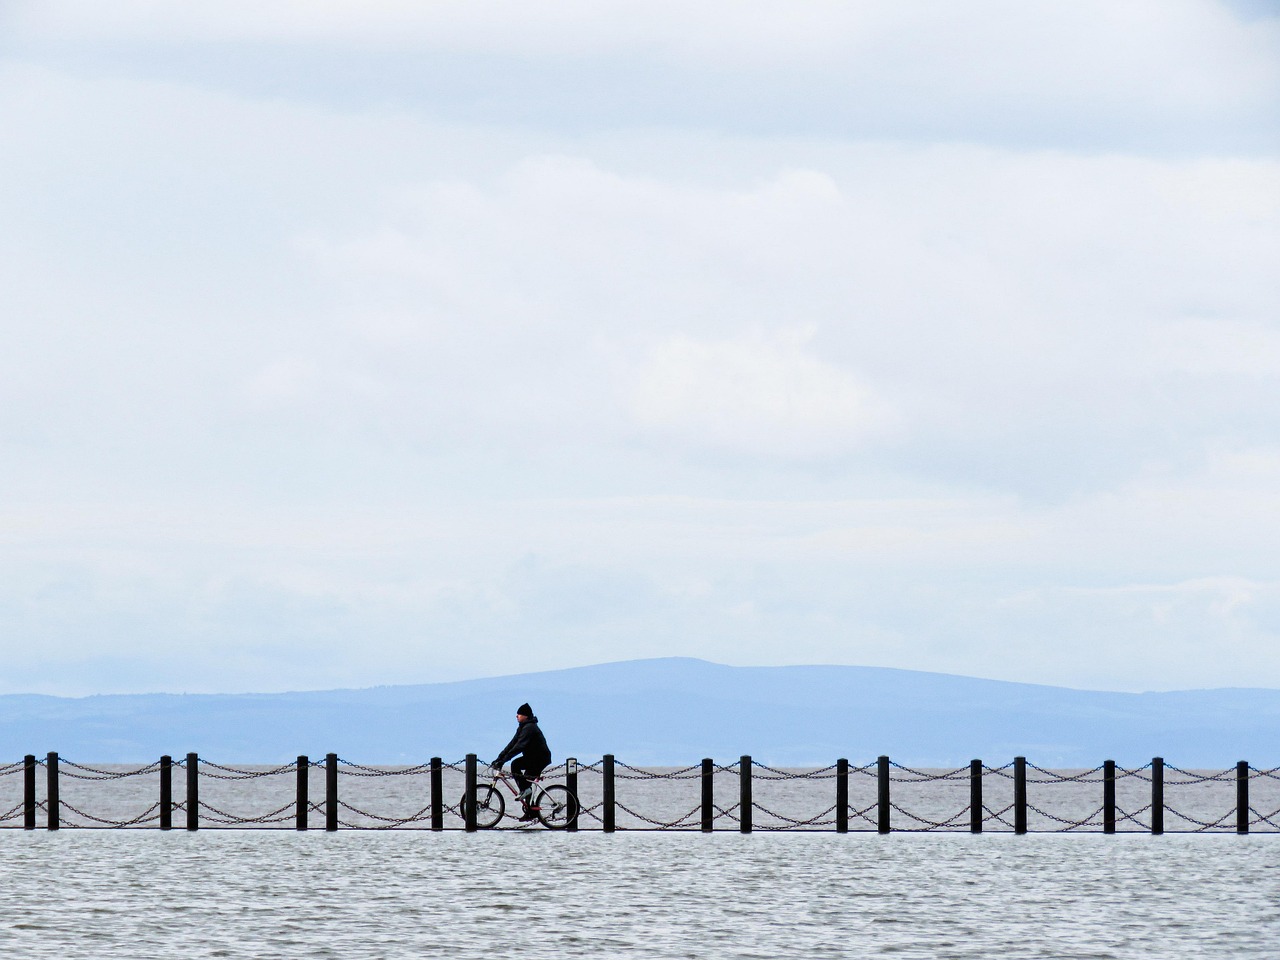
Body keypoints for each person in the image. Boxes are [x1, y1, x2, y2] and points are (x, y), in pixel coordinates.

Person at [491, 702, 552, 821]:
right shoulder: (523, 727)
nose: (516, 716)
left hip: (540, 758)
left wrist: (504, 761)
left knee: (516, 765)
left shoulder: (530, 728)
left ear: (526, 716)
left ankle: (527, 797)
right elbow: (512, 744)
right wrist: (499, 758)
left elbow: (519, 746)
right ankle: (530, 811)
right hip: (532, 757)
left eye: (519, 714)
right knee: (526, 781)